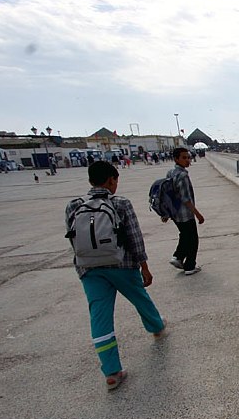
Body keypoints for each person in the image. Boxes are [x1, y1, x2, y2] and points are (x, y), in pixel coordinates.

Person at [64, 160, 166, 391]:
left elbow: (72, 238)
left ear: (90, 181)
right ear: (112, 180)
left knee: (100, 319)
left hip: (90, 269)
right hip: (121, 265)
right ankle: (156, 327)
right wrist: (144, 266)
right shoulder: (121, 204)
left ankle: (112, 372)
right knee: (140, 298)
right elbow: (134, 237)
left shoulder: (73, 205)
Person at [165, 147, 205, 276]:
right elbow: (186, 199)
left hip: (175, 213)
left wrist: (166, 212)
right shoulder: (183, 175)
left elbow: (168, 195)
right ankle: (189, 266)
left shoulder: (170, 173)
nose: (188, 160)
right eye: (184, 158)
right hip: (185, 214)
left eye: (188, 157)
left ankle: (178, 257)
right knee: (193, 240)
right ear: (176, 159)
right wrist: (198, 214)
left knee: (185, 235)